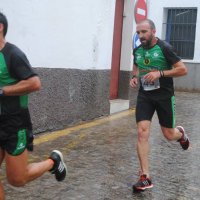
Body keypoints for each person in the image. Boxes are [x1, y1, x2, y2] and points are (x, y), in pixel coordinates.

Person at [0, 12, 67, 200]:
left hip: (14, 123)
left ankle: (53, 162)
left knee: (17, 179)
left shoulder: (13, 54)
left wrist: (2, 91)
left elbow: (35, 83)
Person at [130, 19, 189, 192]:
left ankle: (181, 135)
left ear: (153, 31)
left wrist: (160, 73)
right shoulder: (137, 50)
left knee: (169, 135)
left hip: (164, 96)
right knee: (142, 132)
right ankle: (145, 177)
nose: (141, 36)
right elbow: (136, 65)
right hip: (145, 96)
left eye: (144, 32)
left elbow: (182, 69)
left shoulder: (165, 48)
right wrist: (134, 77)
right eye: (138, 32)